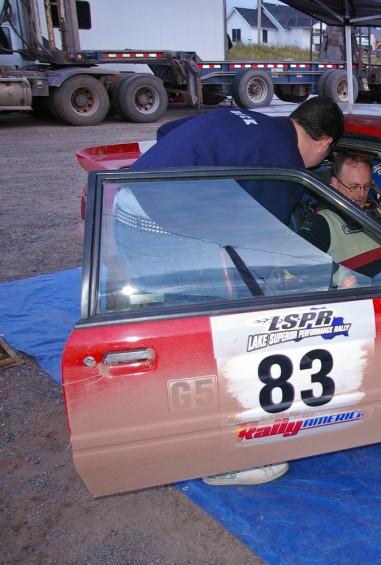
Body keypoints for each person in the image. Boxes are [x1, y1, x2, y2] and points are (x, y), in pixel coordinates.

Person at [126, 97, 344, 487]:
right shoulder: (284, 163)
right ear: (325, 142)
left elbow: (168, 134)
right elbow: (269, 244)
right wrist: (328, 274)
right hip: (161, 225)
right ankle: (222, 461)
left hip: (128, 197)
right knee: (227, 330)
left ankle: (161, 420)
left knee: (174, 328)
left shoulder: (246, 120)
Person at [298, 152, 381, 286]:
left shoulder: (376, 211)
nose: (361, 194)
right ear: (334, 183)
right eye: (354, 186)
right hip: (363, 300)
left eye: (366, 186)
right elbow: (296, 262)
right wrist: (340, 277)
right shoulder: (322, 222)